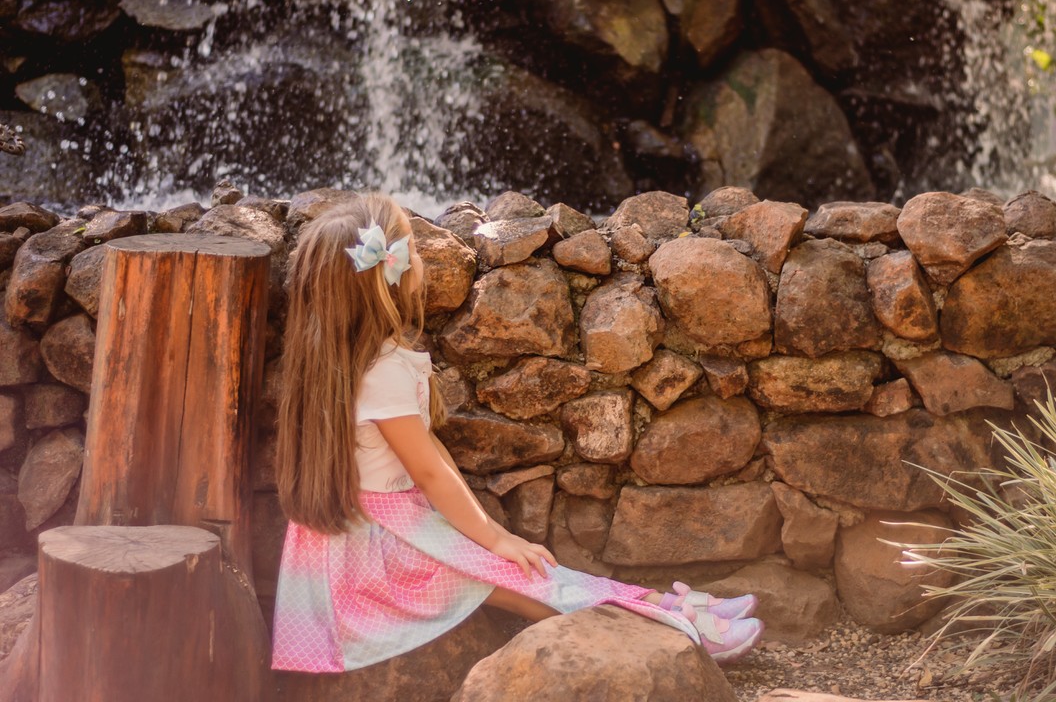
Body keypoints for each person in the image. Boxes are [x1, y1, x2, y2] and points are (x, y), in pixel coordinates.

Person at [270, 193, 765, 674]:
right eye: (414, 250)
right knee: (526, 579)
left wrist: (487, 538)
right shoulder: (382, 374)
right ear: (390, 278)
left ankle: (660, 607)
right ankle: (672, 628)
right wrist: (494, 536)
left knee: (531, 576)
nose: (420, 258)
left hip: (375, 533)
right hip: (380, 554)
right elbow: (427, 470)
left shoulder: (345, 362)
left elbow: (429, 455)